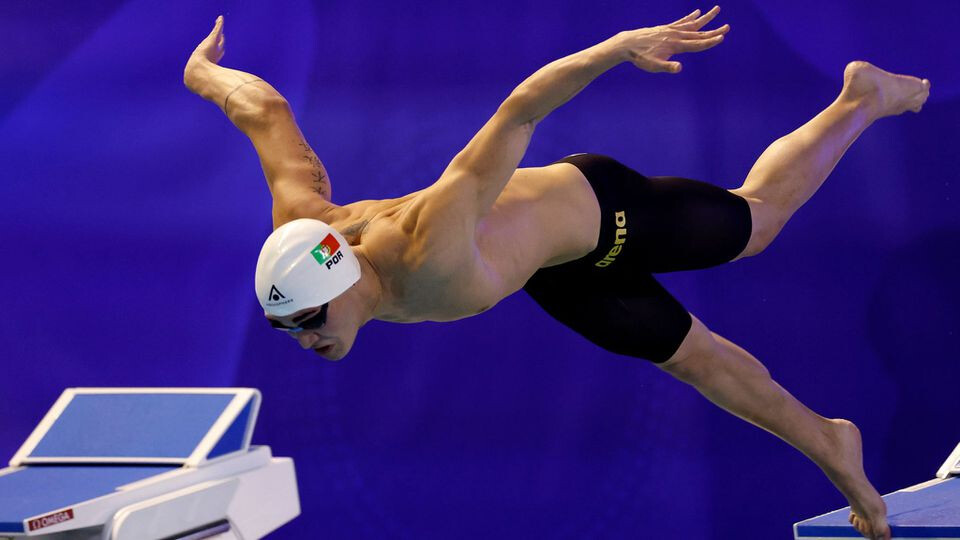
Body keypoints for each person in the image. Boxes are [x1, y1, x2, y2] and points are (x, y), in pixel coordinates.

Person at [183, 7, 929, 539]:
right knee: (696, 361)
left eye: (309, 318)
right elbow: (266, 112)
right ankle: (831, 443)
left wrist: (616, 48)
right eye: (287, 327)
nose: (303, 337)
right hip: (550, 270)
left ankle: (860, 98)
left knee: (755, 223)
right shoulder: (302, 232)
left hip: (597, 212)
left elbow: (516, 115)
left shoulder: (428, 241)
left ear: (343, 280)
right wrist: (202, 74)